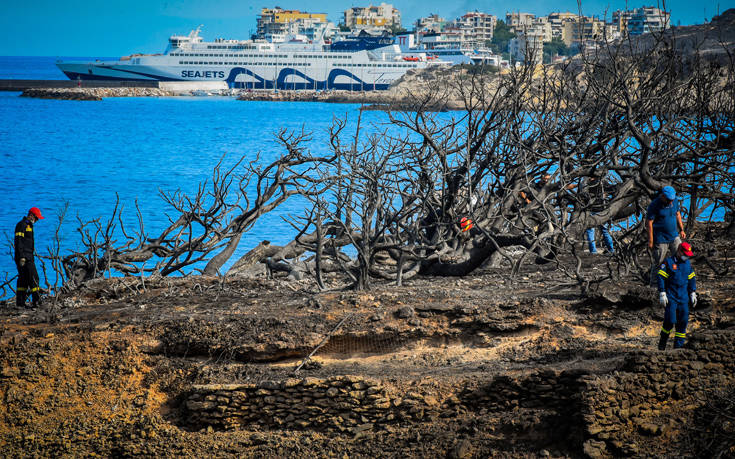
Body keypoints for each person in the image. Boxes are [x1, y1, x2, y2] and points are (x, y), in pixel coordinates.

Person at [656, 242, 697, 350]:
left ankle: (678, 348)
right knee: (670, 321)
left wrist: (693, 292)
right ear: (679, 251)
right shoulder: (668, 262)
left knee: (683, 322)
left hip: (683, 297)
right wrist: (662, 292)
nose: (687, 256)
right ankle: (662, 343)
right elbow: (661, 276)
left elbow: (691, 278)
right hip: (671, 296)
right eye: (685, 254)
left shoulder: (687, 264)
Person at [647, 186, 686, 286]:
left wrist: (681, 229)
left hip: (674, 236)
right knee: (658, 262)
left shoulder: (675, 201)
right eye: (669, 200)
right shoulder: (654, 205)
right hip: (660, 238)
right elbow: (649, 222)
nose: (671, 202)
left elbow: (678, 214)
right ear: (663, 196)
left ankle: (680, 281)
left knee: (681, 258)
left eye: (672, 200)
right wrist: (651, 240)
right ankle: (654, 286)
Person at [14, 207, 43, 308]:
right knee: (34, 278)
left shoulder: (29, 225)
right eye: (36, 218)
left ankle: (20, 303)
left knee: (23, 280)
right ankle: (36, 302)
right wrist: (22, 257)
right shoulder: (22, 225)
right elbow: (18, 241)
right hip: (24, 258)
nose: (37, 220)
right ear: (31, 215)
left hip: (28, 256)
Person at [582, 175, 615, 254]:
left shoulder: (586, 184)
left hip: (590, 209)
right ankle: (611, 250)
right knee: (605, 230)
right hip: (601, 209)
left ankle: (593, 251)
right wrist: (605, 195)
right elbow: (612, 189)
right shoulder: (602, 182)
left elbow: (583, 196)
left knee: (590, 231)